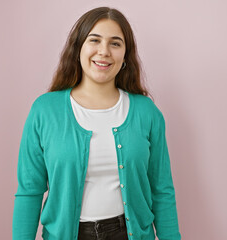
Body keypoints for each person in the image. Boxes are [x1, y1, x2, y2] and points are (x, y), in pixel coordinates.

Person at [12, 6, 181, 240]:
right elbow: (29, 191)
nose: (104, 51)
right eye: (95, 40)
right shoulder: (44, 111)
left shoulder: (147, 112)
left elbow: (162, 191)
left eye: (115, 43)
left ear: (125, 55)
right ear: (78, 47)